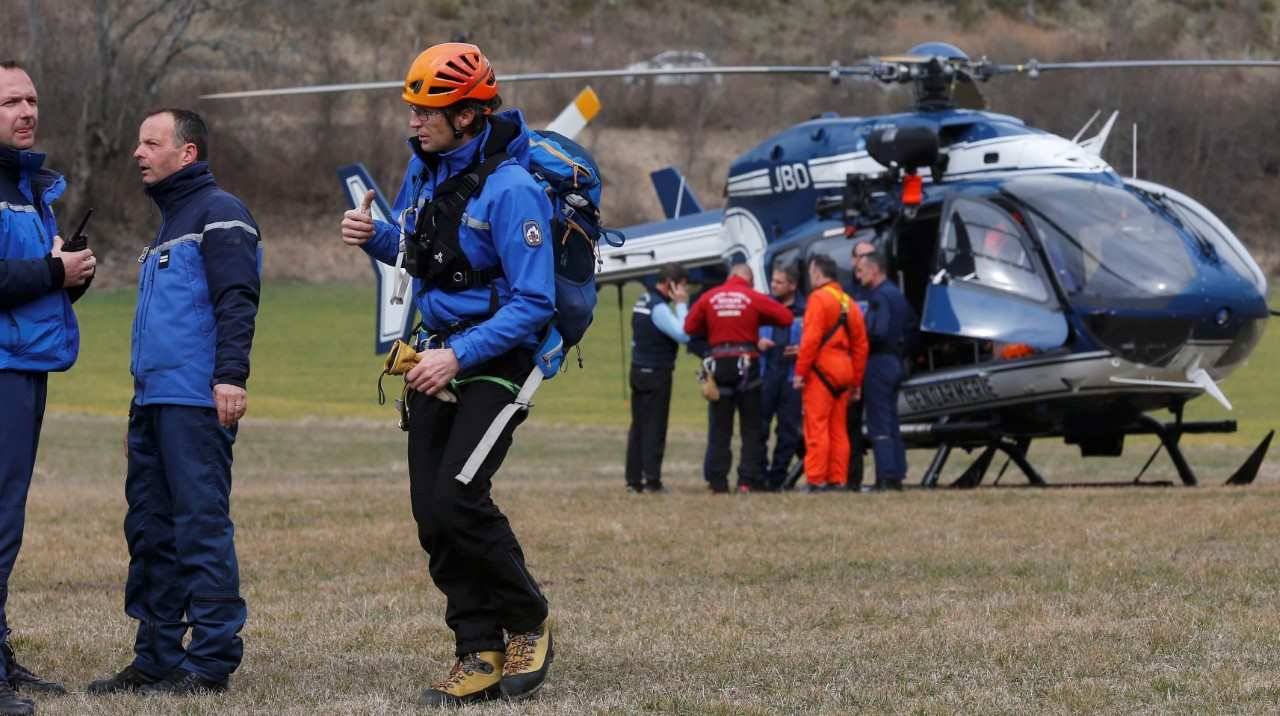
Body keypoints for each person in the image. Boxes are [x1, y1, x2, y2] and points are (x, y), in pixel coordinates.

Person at [338, 43, 554, 705]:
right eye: (413, 109)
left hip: (500, 361)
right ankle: (478, 649)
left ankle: (527, 622)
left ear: (468, 114)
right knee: (432, 513)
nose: (414, 121)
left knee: (460, 494)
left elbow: (534, 301)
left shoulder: (513, 189)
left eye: (429, 111)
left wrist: (458, 356)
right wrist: (372, 236)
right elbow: (420, 253)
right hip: (436, 353)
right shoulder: (426, 173)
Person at [88, 108, 261, 696]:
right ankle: (157, 656)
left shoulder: (221, 214)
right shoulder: (169, 221)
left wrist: (230, 377)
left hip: (195, 402)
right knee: (150, 529)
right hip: (154, 401)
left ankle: (211, 660)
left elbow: (237, 299)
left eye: (150, 142)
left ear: (187, 153)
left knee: (199, 528)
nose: (138, 152)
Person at [0, 59, 95, 716]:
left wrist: (69, 276)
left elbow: (27, 282)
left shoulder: (28, 186)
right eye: (11, 102)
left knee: (8, 521)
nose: (28, 111)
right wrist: (47, 270)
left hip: (24, 366)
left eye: (32, 99)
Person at [684, 263, 792, 493]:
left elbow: (689, 326)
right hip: (747, 366)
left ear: (731, 276)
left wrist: (714, 327)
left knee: (720, 429)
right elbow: (785, 317)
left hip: (719, 366)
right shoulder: (752, 296)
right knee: (751, 428)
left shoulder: (709, 297)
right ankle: (747, 481)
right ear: (748, 279)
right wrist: (756, 321)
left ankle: (718, 482)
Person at [794, 255, 868, 492]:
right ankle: (838, 478)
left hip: (821, 372)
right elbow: (861, 346)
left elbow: (811, 340)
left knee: (817, 427)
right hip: (844, 372)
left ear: (816, 272)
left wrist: (800, 371)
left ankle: (816, 479)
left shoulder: (818, 299)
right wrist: (856, 381)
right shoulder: (849, 302)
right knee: (838, 429)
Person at [625, 263, 691, 493]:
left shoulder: (642, 301)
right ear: (671, 284)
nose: (684, 292)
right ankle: (652, 481)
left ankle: (634, 480)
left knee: (638, 426)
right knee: (655, 427)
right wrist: (682, 306)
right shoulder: (660, 308)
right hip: (656, 373)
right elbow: (683, 333)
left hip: (637, 370)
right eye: (682, 287)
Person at [857, 251, 918, 491]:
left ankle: (886, 476)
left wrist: (859, 338)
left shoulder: (879, 297)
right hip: (895, 362)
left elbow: (878, 332)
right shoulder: (896, 294)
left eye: (861, 270)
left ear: (874, 271)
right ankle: (897, 472)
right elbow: (912, 326)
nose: (857, 275)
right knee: (891, 420)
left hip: (879, 363)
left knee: (879, 422)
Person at [757, 264, 804, 491]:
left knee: (788, 430)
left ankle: (778, 477)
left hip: (791, 377)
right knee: (759, 428)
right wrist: (758, 343)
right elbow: (749, 330)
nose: (773, 285)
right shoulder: (764, 306)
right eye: (773, 281)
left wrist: (802, 349)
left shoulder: (805, 309)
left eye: (779, 282)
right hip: (767, 374)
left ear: (792, 285)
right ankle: (759, 474)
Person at [846, 240, 876, 491]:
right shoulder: (847, 293)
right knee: (850, 425)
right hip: (850, 367)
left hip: (874, 365)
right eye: (862, 256)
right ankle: (851, 478)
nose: (865, 261)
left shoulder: (878, 290)